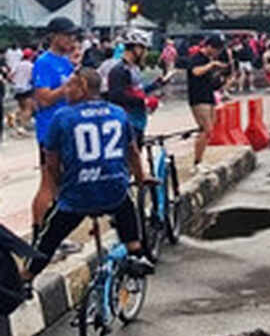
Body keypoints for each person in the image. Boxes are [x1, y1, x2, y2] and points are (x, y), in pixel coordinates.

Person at [22, 69, 156, 282]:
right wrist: (141, 177)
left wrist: (58, 187)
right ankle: (136, 252)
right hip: (113, 191)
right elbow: (133, 152)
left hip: (77, 195)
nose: (66, 91)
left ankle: (27, 277)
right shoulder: (118, 113)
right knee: (124, 203)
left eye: (70, 85)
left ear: (83, 87)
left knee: (48, 238)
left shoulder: (63, 117)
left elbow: (52, 162)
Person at [31, 17, 80, 230]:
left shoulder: (66, 62)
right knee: (48, 183)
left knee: (62, 184)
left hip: (66, 129)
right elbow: (43, 98)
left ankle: (54, 231)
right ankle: (38, 229)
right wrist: (67, 88)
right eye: (68, 35)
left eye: (73, 36)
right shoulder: (44, 62)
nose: (72, 40)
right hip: (49, 131)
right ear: (55, 36)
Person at [105, 30, 167, 172]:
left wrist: (155, 85)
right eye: (144, 49)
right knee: (128, 166)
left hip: (138, 122)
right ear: (136, 48)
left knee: (134, 166)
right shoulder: (119, 70)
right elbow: (117, 96)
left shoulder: (134, 69)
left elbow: (137, 91)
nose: (145, 54)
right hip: (127, 123)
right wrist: (144, 102)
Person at [187, 35, 229, 166]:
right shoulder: (197, 58)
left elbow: (211, 82)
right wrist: (211, 65)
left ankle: (200, 158)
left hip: (208, 96)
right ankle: (197, 162)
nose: (217, 53)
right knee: (206, 129)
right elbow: (196, 72)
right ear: (209, 46)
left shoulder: (208, 60)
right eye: (216, 50)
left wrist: (224, 79)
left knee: (210, 129)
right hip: (198, 98)